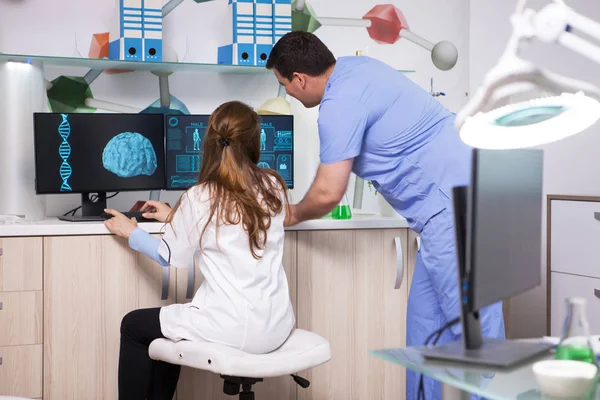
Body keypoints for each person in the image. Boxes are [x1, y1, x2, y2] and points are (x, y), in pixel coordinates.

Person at [266, 31, 505, 400]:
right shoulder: (358, 68)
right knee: (425, 333)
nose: (290, 96)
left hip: (456, 208)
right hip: (442, 213)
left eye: (285, 86)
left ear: (300, 78)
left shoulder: (339, 104)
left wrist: (291, 214)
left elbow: (330, 191)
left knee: (474, 338)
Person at [103, 101, 295, 400]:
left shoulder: (201, 195)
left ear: (209, 143)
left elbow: (170, 256)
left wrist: (132, 232)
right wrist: (176, 216)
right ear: (255, 142)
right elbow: (239, 222)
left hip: (232, 326)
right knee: (170, 326)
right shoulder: (273, 185)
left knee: (134, 325)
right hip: (276, 324)